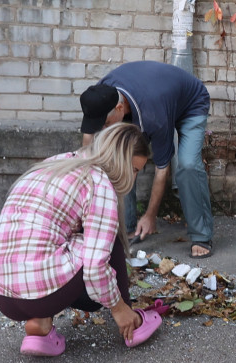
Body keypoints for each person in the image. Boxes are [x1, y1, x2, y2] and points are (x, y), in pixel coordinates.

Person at [0, 123, 162, 357]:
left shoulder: (58, 162)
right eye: (135, 170)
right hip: (39, 295)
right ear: (119, 160)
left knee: (54, 242)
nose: (134, 178)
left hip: (0, 293)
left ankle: (41, 327)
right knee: (106, 239)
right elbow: (96, 264)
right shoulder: (99, 182)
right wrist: (118, 308)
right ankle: (131, 321)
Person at [79, 61, 214, 259]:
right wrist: (82, 169)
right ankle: (128, 228)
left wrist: (151, 215)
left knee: (187, 165)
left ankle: (201, 236)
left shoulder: (153, 115)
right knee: (120, 158)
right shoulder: (100, 94)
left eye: (106, 124)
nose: (103, 129)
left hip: (190, 103)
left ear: (118, 108)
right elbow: (88, 137)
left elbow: (162, 169)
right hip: (157, 96)